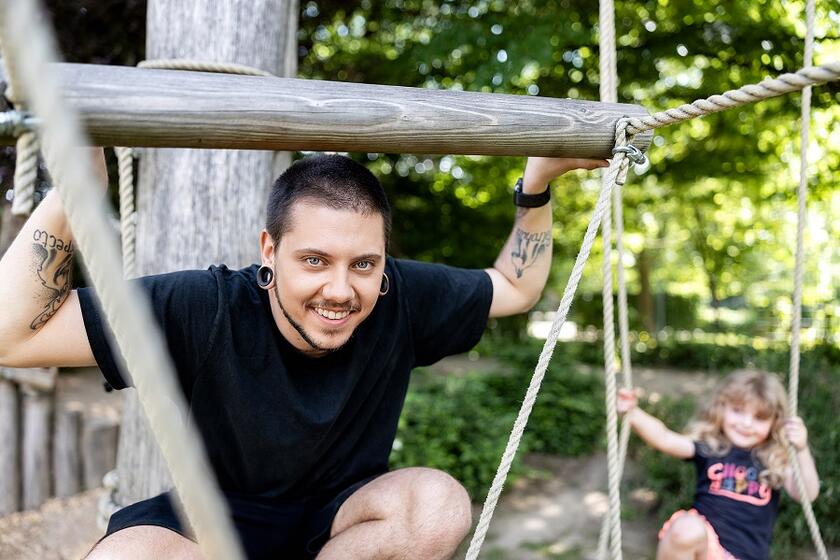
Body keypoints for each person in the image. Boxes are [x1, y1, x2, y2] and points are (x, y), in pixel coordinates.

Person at [0, 149, 606, 559]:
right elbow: (15, 336)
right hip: (211, 522)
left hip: (341, 526)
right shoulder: (204, 304)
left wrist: (536, 185)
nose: (341, 289)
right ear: (270, 250)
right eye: (314, 260)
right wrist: (76, 194)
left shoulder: (401, 293)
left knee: (437, 503)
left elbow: (517, 287)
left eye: (363, 264)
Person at [617, 369, 821, 560]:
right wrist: (633, 414)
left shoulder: (772, 460)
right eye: (738, 411)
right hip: (707, 550)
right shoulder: (711, 448)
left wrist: (801, 450)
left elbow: (807, 493)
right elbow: (664, 438)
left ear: (774, 422)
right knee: (686, 528)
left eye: (759, 417)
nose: (746, 423)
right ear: (721, 407)